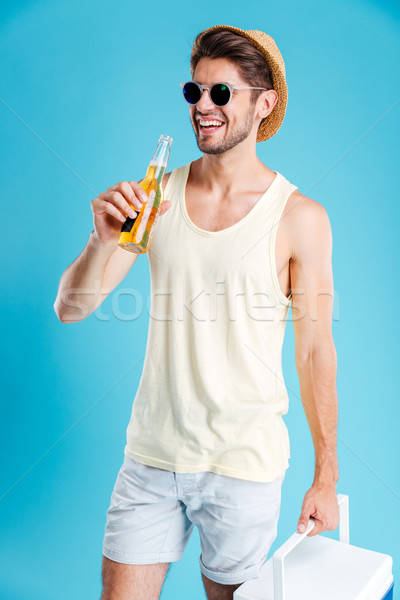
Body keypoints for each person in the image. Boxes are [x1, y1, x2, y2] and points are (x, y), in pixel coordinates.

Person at [54, 25, 340, 600]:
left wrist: (326, 475)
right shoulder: (155, 196)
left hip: (243, 466)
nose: (203, 108)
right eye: (194, 92)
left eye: (221, 94)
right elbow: (71, 308)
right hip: (152, 455)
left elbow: (313, 353)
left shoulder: (300, 217)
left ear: (265, 103)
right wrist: (101, 240)